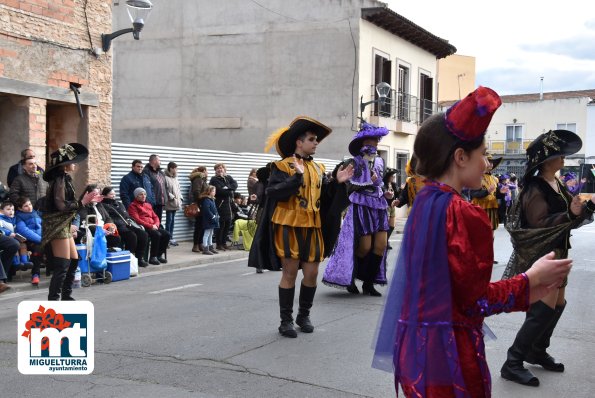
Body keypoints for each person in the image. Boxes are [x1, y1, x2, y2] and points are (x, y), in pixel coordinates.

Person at [372, 87, 574, 397]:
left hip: (416, 347)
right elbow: (475, 301)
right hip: (451, 352)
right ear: (460, 157)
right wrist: (528, 281)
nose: (486, 164)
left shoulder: (425, 200)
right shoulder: (464, 214)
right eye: (482, 155)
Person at [500, 129, 595, 387]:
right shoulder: (534, 187)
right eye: (558, 154)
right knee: (542, 310)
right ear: (546, 160)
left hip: (559, 250)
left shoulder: (557, 183)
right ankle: (513, 362)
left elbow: (568, 219)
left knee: (558, 304)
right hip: (545, 253)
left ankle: (537, 350)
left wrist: (582, 210)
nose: (563, 157)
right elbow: (538, 222)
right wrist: (569, 215)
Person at [248, 116, 353, 337]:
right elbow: (273, 192)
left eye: (316, 140)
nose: (316, 143)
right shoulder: (282, 166)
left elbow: (325, 199)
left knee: (312, 273)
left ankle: (303, 315)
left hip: (313, 226)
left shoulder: (318, 168)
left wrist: (337, 183)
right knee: (289, 272)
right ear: (299, 142)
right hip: (288, 224)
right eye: (312, 139)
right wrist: (296, 176)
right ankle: (285, 320)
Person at [323, 122, 391, 296]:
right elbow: (348, 187)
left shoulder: (380, 161)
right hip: (361, 205)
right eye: (371, 139)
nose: (375, 142)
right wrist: (368, 181)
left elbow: (379, 183)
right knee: (364, 247)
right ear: (362, 142)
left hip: (379, 205)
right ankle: (351, 276)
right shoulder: (353, 162)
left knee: (381, 245)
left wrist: (386, 193)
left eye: (377, 139)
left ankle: (368, 284)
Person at [42, 143, 101, 301]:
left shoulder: (64, 178)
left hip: (63, 224)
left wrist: (86, 200)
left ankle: (66, 296)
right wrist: (83, 202)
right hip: (56, 225)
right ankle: (54, 301)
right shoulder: (59, 179)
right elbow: (61, 205)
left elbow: (71, 203)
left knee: (74, 260)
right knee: (62, 266)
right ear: (65, 165)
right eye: (73, 161)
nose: (75, 164)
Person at [101, 186, 149, 267]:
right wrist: (121, 223)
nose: (113, 196)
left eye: (114, 194)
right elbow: (109, 218)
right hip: (117, 226)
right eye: (111, 194)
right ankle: (129, 258)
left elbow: (127, 215)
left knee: (143, 234)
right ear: (105, 195)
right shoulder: (103, 205)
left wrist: (133, 222)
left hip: (127, 224)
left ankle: (139, 258)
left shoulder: (119, 204)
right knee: (132, 236)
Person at [127, 187, 170, 265]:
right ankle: (152, 257)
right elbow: (137, 220)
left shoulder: (148, 205)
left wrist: (156, 224)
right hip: (143, 227)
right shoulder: (133, 206)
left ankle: (158, 255)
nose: (143, 196)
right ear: (136, 196)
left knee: (166, 234)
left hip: (153, 226)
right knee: (156, 235)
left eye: (145, 194)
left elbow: (155, 216)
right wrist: (150, 226)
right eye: (141, 194)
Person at [76, 185, 121, 250]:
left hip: (104, 229)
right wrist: (100, 230)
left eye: (98, 194)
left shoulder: (99, 204)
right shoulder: (84, 205)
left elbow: (108, 218)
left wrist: (110, 226)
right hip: (94, 231)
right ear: (88, 195)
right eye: (95, 194)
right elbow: (85, 222)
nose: (98, 196)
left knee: (116, 237)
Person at [15, 196, 43, 285]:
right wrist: (40, 239)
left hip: (41, 238)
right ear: (20, 208)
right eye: (26, 206)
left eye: (30, 204)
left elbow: (43, 226)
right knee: (37, 249)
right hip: (28, 240)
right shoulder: (19, 217)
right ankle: (35, 274)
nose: (29, 207)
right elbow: (24, 231)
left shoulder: (36, 213)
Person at [209, 163, 238, 251]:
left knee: (228, 225)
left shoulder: (228, 177)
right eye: (217, 168)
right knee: (221, 225)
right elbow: (220, 191)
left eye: (221, 168)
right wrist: (229, 190)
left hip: (229, 205)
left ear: (224, 169)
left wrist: (227, 187)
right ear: (215, 171)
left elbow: (235, 184)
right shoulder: (214, 179)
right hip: (220, 205)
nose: (220, 169)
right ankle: (219, 244)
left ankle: (224, 243)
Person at [189, 166, 209, 252]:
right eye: (207, 171)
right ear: (204, 171)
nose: (207, 172)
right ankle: (195, 245)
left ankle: (200, 243)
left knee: (202, 226)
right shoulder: (198, 179)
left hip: (203, 204)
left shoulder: (202, 179)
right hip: (200, 205)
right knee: (198, 226)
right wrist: (203, 197)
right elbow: (196, 192)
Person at [143, 154, 167, 222]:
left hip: (160, 202)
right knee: (151, 222)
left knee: (158, 222)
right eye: (159, 160)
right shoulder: (146, 172)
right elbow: (146, 187)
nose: (160, 162)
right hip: (151, 203)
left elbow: (164, 186)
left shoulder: (161, 173)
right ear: (154, 161)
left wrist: (166, 198)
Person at [164, 161, 182, 246]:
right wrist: (172, 197)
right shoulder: (165, 177)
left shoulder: (175, 178)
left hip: (176, 202)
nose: (176, 170)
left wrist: (180, 198)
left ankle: (171, 237)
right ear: (171, 168)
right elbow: (165, 189)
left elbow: (178, 189)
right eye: (175, 168)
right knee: (169, 220)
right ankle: (167, 239)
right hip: (170, 202)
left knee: (173, 221)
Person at [199, 185, 219, 255]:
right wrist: (212, 216)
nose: (214, 192)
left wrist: (217, 215)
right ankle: (205, 249)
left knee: (211, 234)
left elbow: (214, 209)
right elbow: (206, 210)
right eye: (213, 191)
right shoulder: (206, 200)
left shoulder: (212, 199)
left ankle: (211, 248)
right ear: (209, 191)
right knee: (206, 234)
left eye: (215, 191)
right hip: (208, 220)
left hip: (212, 219)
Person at [383, 168, 399, 249]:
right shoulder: (383, 184)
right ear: (388, 176)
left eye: (394, 176)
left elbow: (397, 194)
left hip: (392, 206)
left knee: (392, 226)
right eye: (392, 176)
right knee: (385, 225)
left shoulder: (394, 184)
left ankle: (386, 240)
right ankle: (385, 242)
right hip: (385, 206)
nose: (393, 177)